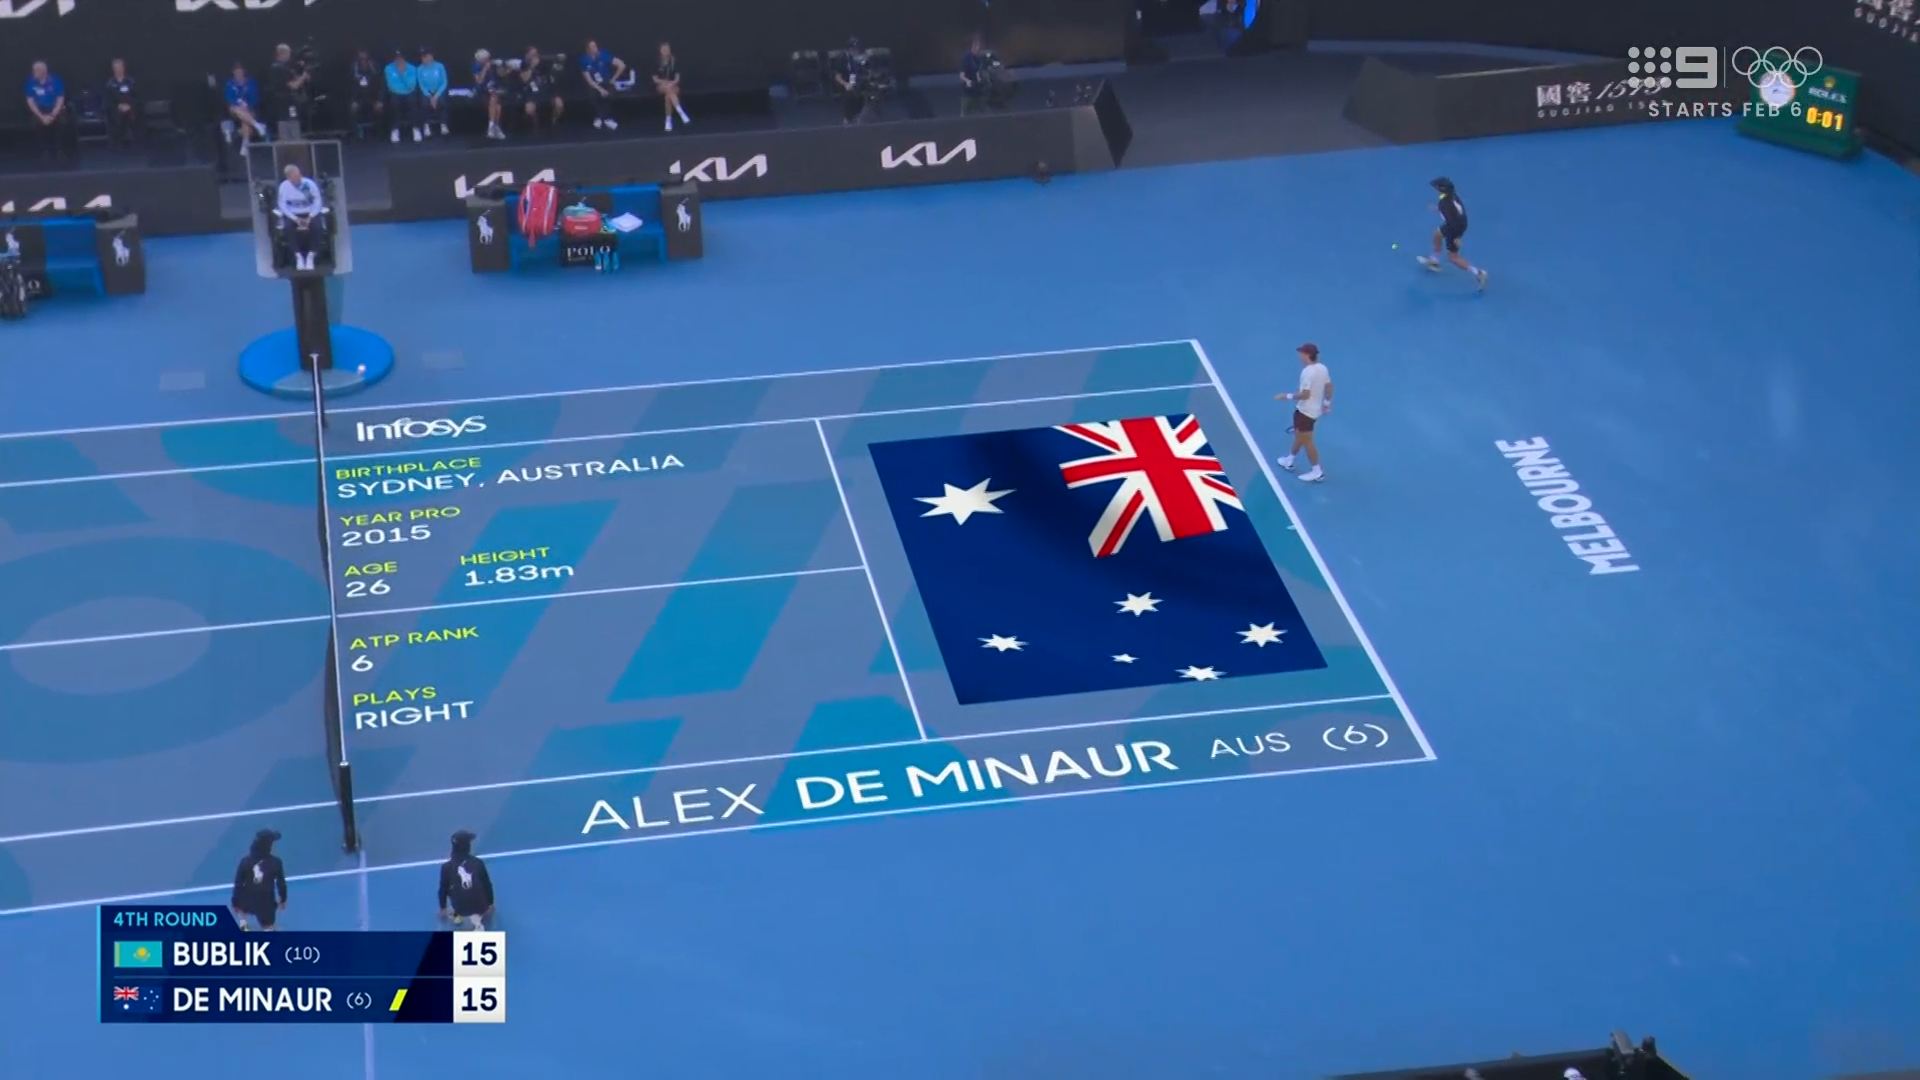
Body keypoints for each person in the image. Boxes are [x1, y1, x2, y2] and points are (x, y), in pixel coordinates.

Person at [1274, 342, 1332, 483]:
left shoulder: (1307, 372)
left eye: (1301, 353)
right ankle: (1289, 460)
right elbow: (1329, 386)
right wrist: (1326, 403)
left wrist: (1286, 396)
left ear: (1307, 355)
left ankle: (1317, 472)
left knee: (1307, 441)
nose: (1299, 356)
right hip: (1313, 411)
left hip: (1305, 412)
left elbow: (1305, 394)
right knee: (1300, 435)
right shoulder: (1322, 368)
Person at [1416, 176, 1488, 290]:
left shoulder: (1444, 203)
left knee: (1453, 257)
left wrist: (1457, 237)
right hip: (1458, 223)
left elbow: (1452, 220)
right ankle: (1434, 261)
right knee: (1437, 235)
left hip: (1454, 227)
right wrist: (1439, 209)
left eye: (1437, 187)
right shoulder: (1451, 196)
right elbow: (1455, 212)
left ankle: (1479, 273)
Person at [230, 829, 288, 931]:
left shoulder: (245, 861)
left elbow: (238, 883)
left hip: (247, 898)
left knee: (242, 905)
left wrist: (235, 902)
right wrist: (283, 899)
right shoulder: (276, 862)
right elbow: (281, 883)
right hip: (266, 901)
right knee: (268, 925)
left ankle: (243, 925)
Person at [437, 830, 495, 930]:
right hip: (481, 907)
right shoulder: (478, 863)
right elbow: (487, 885)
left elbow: (443, 890)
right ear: (467, 846)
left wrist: (443, 909)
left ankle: (457, 915)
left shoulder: (446, 867)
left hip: (460, 908)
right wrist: (490, 904)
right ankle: (479, 917)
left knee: (452, 888)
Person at [276, 163, 326, 271]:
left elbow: (317, 201)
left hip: (309, 212)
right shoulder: (284, 187)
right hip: (293, 214)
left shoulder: (308, 184)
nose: (299, 178)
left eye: (299, 175)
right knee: (288, 228)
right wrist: (295, 218)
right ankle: (298, 256)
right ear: (289, 178)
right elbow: (282, 205)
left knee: (317, 227)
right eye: (295, 177)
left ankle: (311, 256)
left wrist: (310, 216)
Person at [24, 61, 73, 163]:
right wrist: (41, 117)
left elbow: (60, 99)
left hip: (55, 108)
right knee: (35, 123)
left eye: (36, 70)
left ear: (44, 71)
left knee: (63, 121)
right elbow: (30, 101)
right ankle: (44, 150)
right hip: (40, 109)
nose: (34, 72)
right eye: (34, 70)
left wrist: (53, 115)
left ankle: (60, 149)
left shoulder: (55, 80)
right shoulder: (31, 81)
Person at [579, 39, 626, 132]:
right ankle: (600, 117)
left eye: (595, 46)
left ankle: (605, 118)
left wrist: (613, 79)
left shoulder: (604, 54)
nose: (595, 48)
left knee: (610, 95)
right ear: (587, 49)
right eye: (592, 47)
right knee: (592, 95)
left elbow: (622, 65)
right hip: (594, 84)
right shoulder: (583, 60)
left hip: (607, 82)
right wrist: (600, 90)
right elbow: (589, 80)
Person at [515, 47, 564, 133]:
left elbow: (551, 74)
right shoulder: (523, 64)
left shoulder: (543, 63)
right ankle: (536, 122)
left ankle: (554, 121)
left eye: (536, 54)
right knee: (529, 109)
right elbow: (525, 79)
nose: (535, 56)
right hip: (532, 92)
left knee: (559, 104)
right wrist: (532, 67)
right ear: (527, 55)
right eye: (532, 54)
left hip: (546, 90)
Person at [267, 43, 310, 131]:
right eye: (288, 53)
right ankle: (292, 140)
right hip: (286, 102)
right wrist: (304, 76)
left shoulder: (281, 67)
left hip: (283, 102)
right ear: (283, 53)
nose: (290, 55)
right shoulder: (279, 68)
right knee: (290, 122)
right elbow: (294, 86)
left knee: (287, 120)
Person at [224, 62, 267, 148]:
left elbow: (255, 97)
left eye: (240, 71)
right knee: (236, 109)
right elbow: (229, 97)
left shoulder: (251, 82)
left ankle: (245, 147)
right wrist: (239, 103)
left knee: (245, 121)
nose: (238, 73)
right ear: (233, 72)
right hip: (235, 110)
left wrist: (247, 104)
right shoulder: (230, 83)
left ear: (244, 71)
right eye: (236, 72)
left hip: (249, 109)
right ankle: (257, 125)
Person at [384, 50, 421, 143]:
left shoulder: (412, 68)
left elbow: (411, 86)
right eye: (397, 58)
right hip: (395, 93)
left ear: (404, 59)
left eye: (400, 58)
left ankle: (416, 129)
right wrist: (401, 90)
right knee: (394, 103)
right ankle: (395, 130)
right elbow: (391, 85)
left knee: (413, 102)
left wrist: (402, 73)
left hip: (409, 92)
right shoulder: (388, 68)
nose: (399, 61)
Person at [348, 48, 384, 138]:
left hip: (373, 96)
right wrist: (353, 101)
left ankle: (379, 133)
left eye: (365, 59)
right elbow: (351, 86)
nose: (363, 61)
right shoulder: (354, 67)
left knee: (379, 108)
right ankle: (357, 133)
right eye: (361, 59)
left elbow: (380, 85)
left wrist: (379, 100)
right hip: (359, 97)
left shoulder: (374, 66)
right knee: (353, 108)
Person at [834, 38, 870, 125]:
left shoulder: (860, 58)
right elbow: (837, 76)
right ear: (849, 49)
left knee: (865, 93)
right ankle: (847, 120)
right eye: (854, 48)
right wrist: (846, 84)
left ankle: (860, 119)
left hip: (857, 82)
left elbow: (864, 72)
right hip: (845, 84)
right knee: (850, 95)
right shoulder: (842, 58)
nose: (856, 51)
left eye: (857, 48)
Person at [654, 42, 689, 132]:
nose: (665, 51)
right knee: (668, 89)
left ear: (670, 50)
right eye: (663, 49)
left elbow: (677, 78)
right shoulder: (656, 62)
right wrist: (665, 82)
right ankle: (680, 112)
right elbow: (655, 79)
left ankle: (668, 120)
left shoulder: (674, 61)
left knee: (668, 96)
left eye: (667, 49)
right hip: (661, 86)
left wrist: (672, 83)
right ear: (660, 51)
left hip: (673, 86)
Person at [104, 59, 138, 149]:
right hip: (116, 109)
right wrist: (118, 106)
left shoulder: (130, 81)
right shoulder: (110, 84)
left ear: (123, 68)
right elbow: (108, 100)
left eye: (120, 67)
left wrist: (129, 105)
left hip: (130, 107)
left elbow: (136, 96)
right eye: (116, 68)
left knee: (134, 112)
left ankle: (132, 141)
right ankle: (117, 143)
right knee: (113, 114)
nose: (118, 70)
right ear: (113, 69)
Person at [416, 48, 449, 137]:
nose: (423, 59)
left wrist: (436, 96)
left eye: (425, 57)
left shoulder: (440, 66)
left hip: (439, 91)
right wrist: (430, 96)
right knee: (424, 103)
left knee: (442, 102)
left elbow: (444, 82)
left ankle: (443, 124)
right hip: (427, 92)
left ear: (431, 57)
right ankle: (426, 125)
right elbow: (421, 84)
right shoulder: (419, 69)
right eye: (422, 57)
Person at [472, 50, 505, 140]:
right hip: (482, 90)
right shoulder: (476, 66)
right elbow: (479, 81)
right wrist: (485, 69)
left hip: (493, 89)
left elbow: (502, 74)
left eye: (487, 58)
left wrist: (501, 67)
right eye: (484, 59)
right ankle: (493, 127)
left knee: (498, 106)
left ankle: (493, 127)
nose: (487, 60)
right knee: (494, 101)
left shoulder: (493, 64)